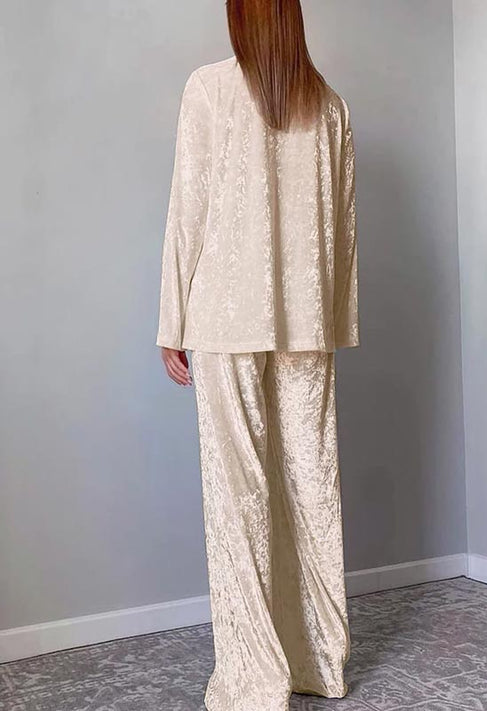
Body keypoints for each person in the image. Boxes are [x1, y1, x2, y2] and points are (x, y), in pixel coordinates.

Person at [155, 1, 358, 709]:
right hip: (306, 323)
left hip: (223, 315)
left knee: (238, 496)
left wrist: (172, 320)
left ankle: (253, 679)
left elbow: (189, 210)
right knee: (310, 485)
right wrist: (329, 320)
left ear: (240, 17)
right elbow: (342, 228)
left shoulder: (209, 88)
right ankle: (317, 663)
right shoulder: (329, 107)